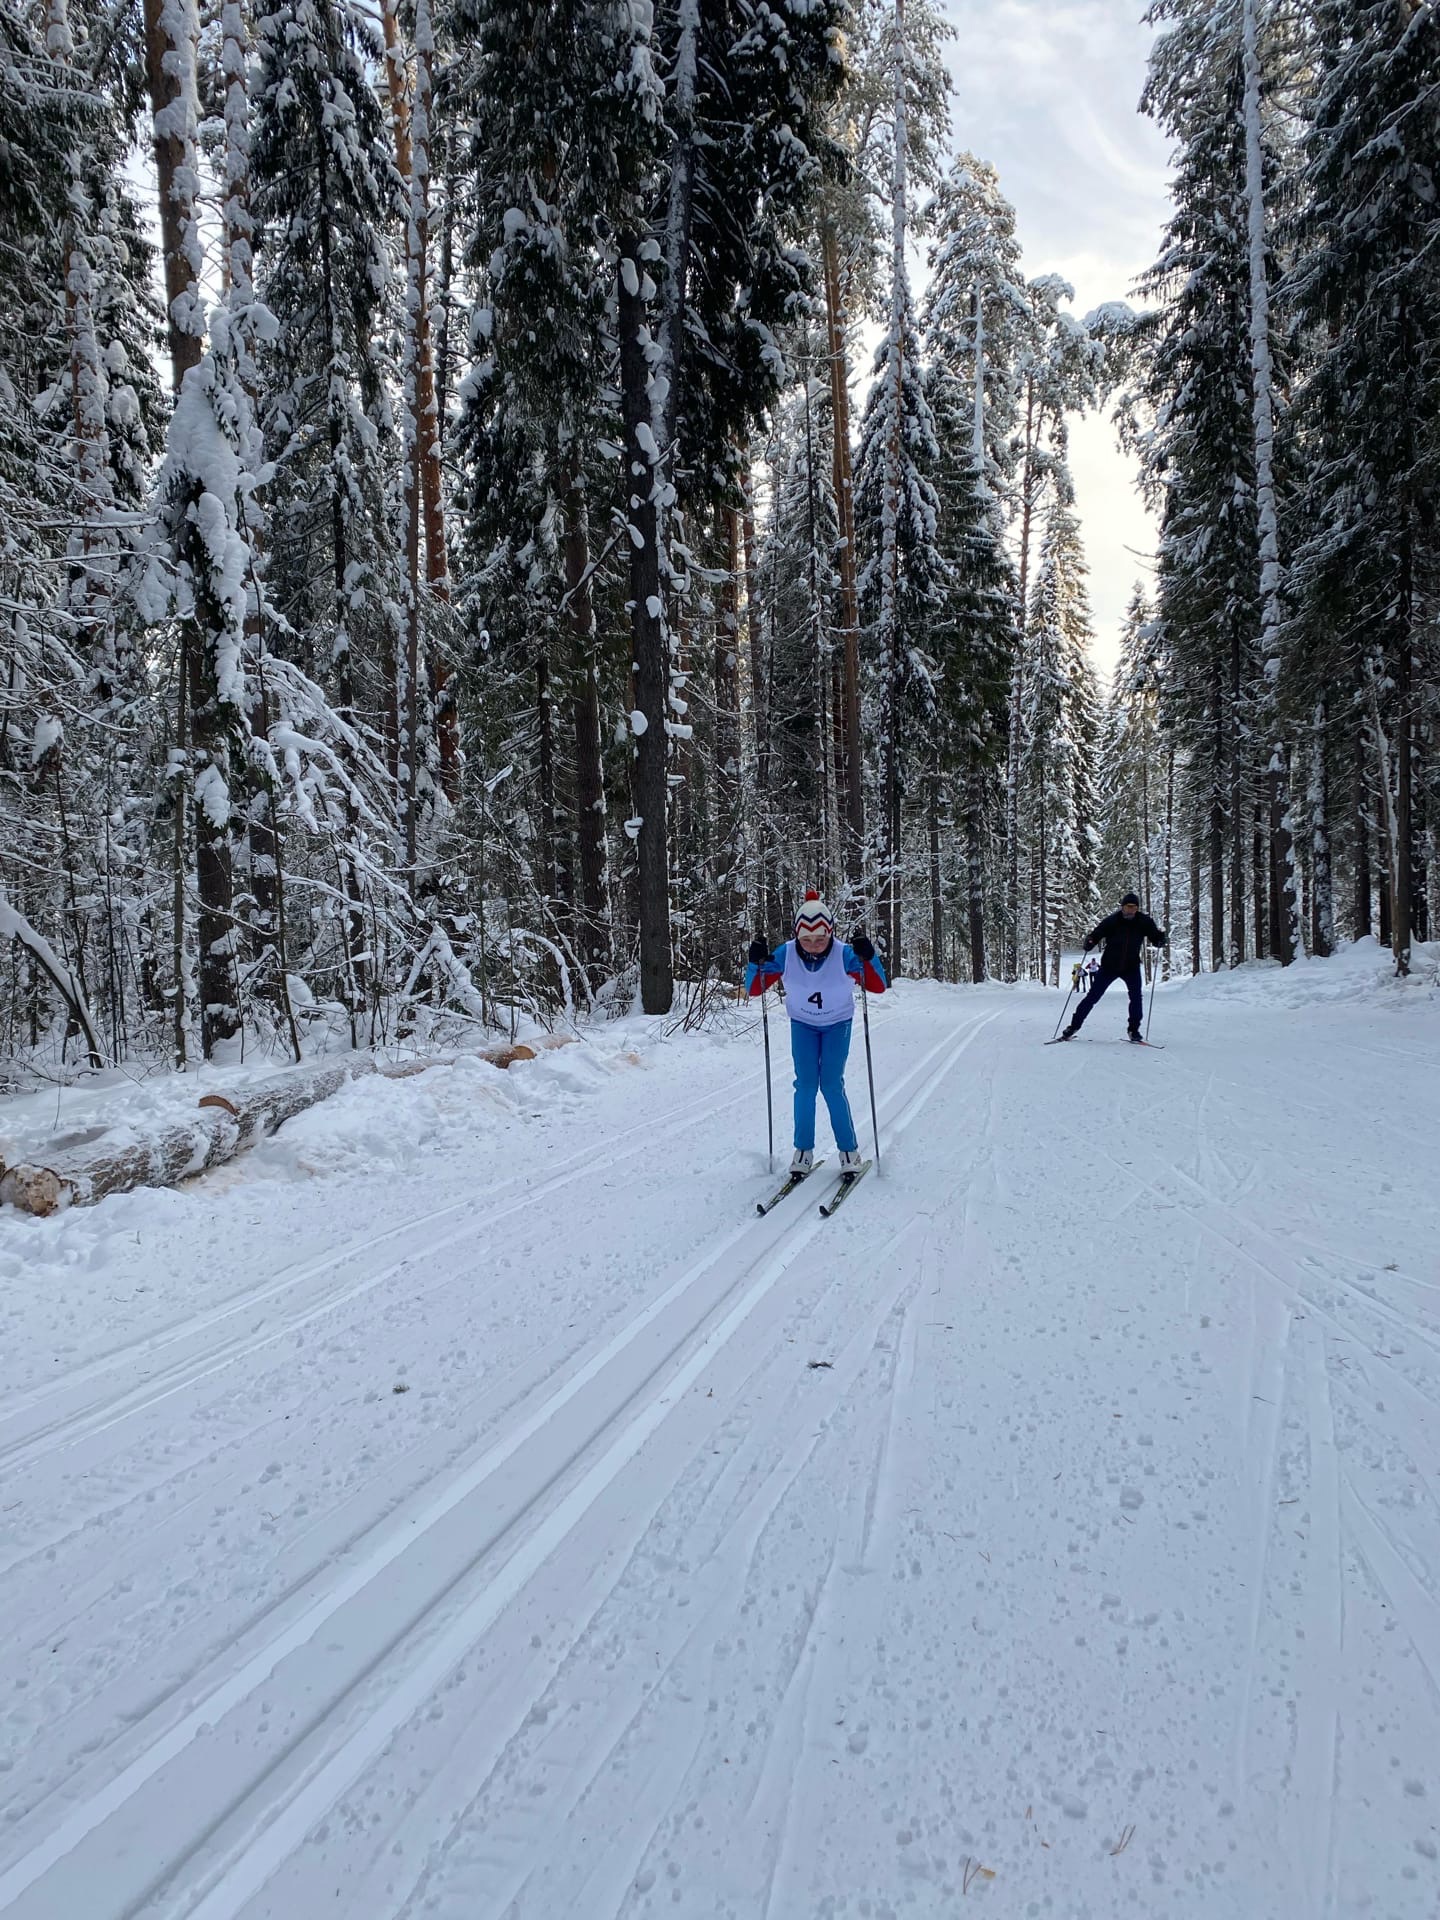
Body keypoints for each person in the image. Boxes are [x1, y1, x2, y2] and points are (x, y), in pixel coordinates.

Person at [745, 891, 887, 1176]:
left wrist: (869, 957)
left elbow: (877, 986)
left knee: (832, 1084)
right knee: (806, 1085)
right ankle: (803, 1150)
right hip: (803, 1024)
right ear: (797, 933)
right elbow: (755, 988)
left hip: (837, 1024)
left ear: (830, 932)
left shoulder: (845, 954)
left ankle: (848, 1150)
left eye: (820, 938)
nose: (813, 945)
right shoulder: (785, 953)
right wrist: (754, 961)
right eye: (806, 939)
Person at [1058, 891, 1167, 1043]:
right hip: (1110, 965)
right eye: (1129, 906)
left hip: (1131, 966)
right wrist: (1090, 941)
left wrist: (1160, 939)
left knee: (1136, 998)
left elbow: (1154, 937)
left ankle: (1133, 1030)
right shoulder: (1112, 920)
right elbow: (1097, 933)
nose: (1132, 910)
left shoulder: (1144, 921)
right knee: (1092, 996)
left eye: (1135, 907)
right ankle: (1073, 1027)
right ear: (1123, 907)